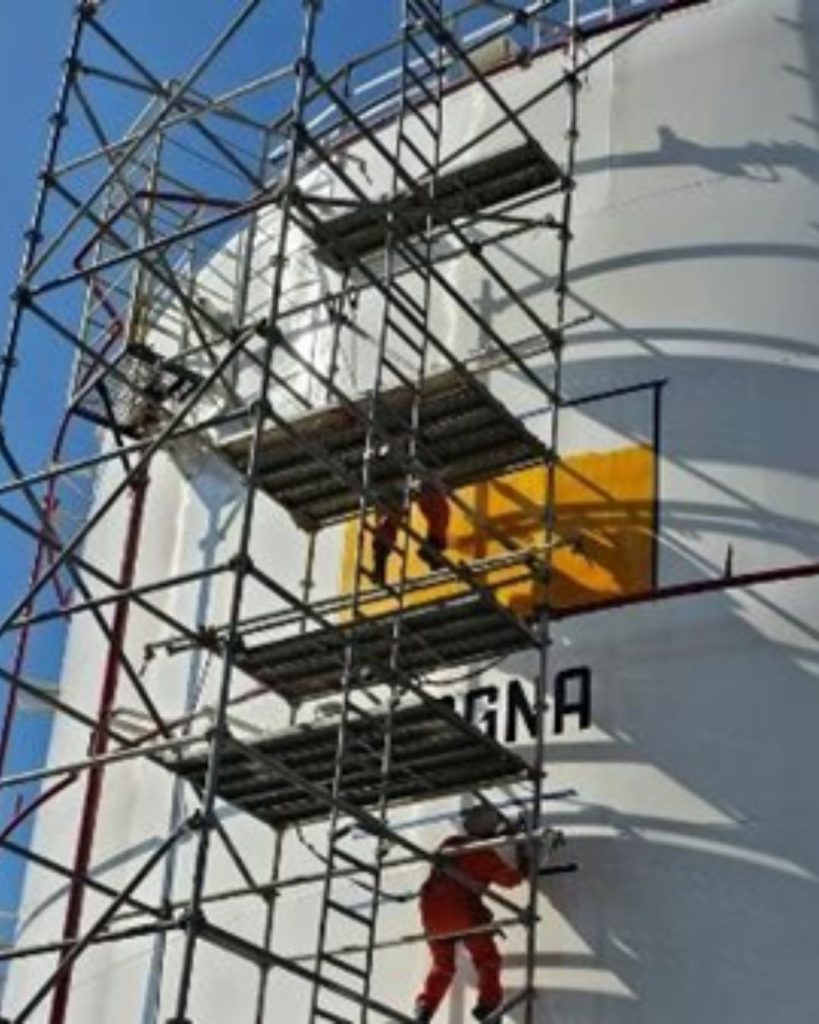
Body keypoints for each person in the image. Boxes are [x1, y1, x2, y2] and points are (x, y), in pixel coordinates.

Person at [414, 806, 528, 1023]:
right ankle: (488, 1005)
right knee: (486, 959)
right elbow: (510, 881)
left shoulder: (449, 844)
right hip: (463, 913)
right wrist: (523, 860)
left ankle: (424, 1008)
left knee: (442, 967)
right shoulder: (482, 852)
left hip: (431, 915)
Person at [417, 480, 450, 569]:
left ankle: (433, 560)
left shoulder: (430, 501)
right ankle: (433, 561)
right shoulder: (432, 500)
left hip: (435, 535)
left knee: (432, 545)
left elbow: (425, 506)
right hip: (436, 535)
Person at [371, 508, 399, 586]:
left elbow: (385, 520)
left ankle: (378, 576)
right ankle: (379, 576)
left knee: (380, 558)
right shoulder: (386, 518)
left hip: (384, 537)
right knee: (380, 558)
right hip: (385, 538)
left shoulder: (386, 518)